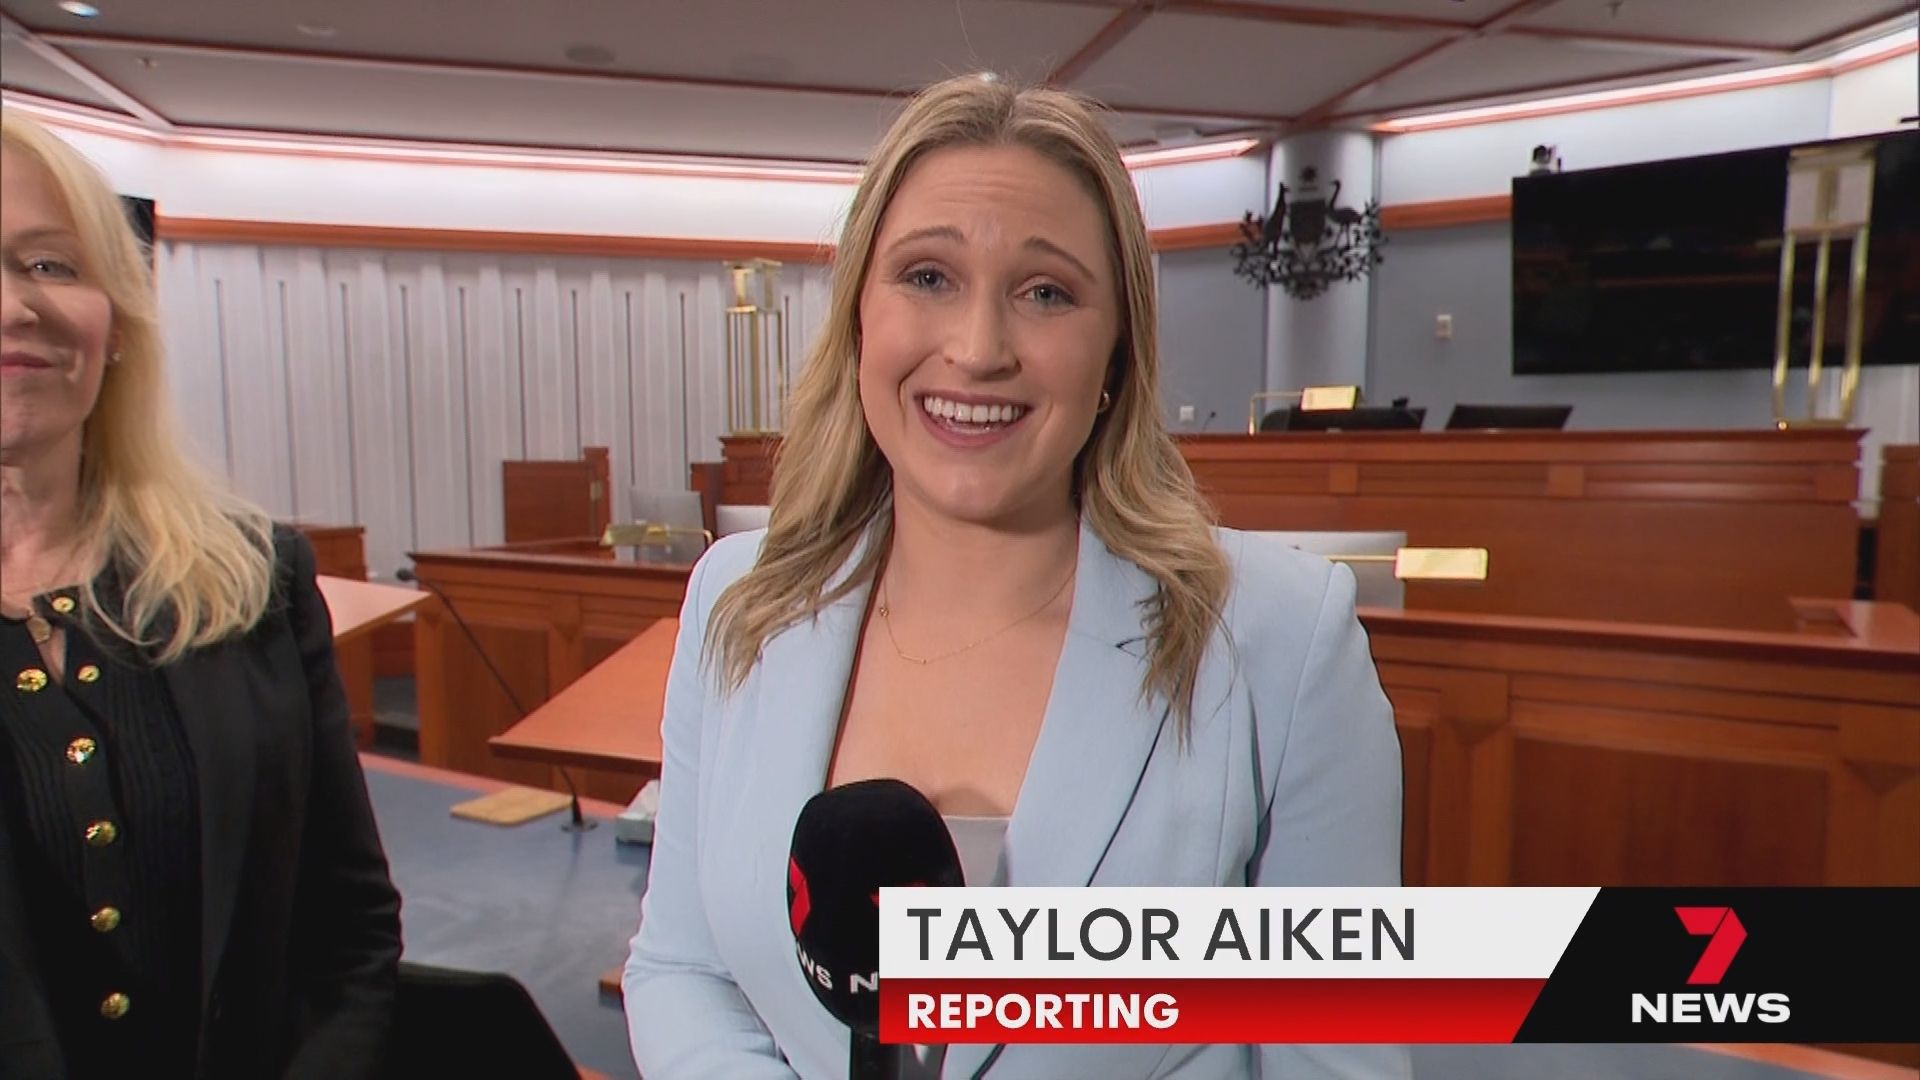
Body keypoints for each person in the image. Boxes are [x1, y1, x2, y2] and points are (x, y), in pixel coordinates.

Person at [623, 75, 1407, 1079]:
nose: (978, 349)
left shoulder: (1283, 643)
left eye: (1046, 293)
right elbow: (684, 968)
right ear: (859, 316)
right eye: (927, 276)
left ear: (1116, 352)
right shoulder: (738, 599)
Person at [0, 111, 402, 1079]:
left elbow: (349, 938)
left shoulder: (253, 579)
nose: (15, 306)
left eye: (51, 265)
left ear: (117, 324)